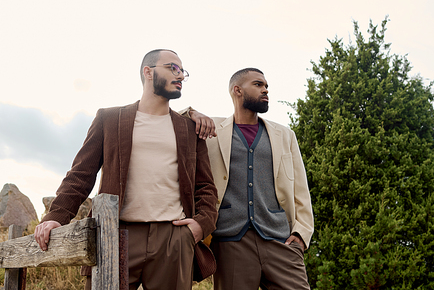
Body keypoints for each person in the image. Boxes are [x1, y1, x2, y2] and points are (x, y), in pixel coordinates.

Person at [34, 49, 218, 290]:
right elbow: (81, 174)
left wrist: (200, 225)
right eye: (173, 68)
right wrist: (55, 217)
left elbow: (205, 187)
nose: (180, 75)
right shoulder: (109, 119)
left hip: (173, 238)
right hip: (115, 233)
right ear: (148, 72)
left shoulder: (189, 128)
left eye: (183, 71)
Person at [188, 68, 314, 290]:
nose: (265, 90)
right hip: (230, 242)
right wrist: (191, 113)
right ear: (237, 90)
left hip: (280, 240)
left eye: (266, 86)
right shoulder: (212, 129)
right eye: (258, 85)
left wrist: (302, 233)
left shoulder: (285, 135)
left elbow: (300, 189)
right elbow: (171, 120)